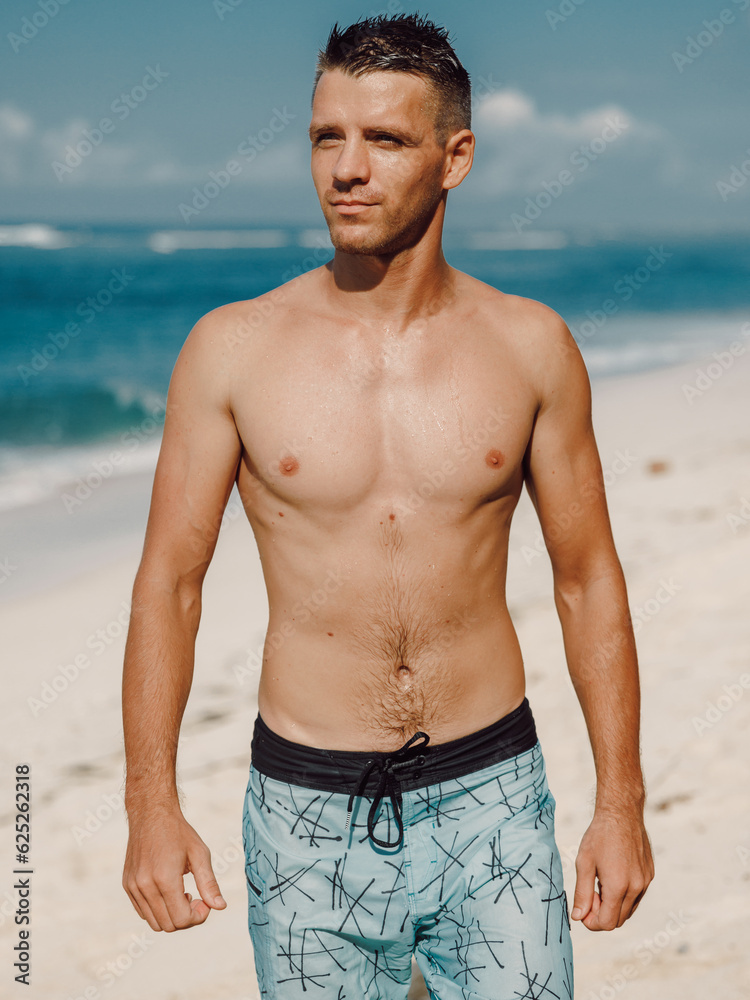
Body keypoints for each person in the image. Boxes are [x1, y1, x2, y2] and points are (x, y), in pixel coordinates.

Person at [121, 13, 654, 999]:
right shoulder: (231, 349)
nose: (347, 169)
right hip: (307, 811)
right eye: (328, 137)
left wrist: (620, 799)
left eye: (385, 140)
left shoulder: (531, 347)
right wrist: (149, 804)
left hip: (494, 795)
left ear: (456, 158)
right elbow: (170, 583)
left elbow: (587, 579)